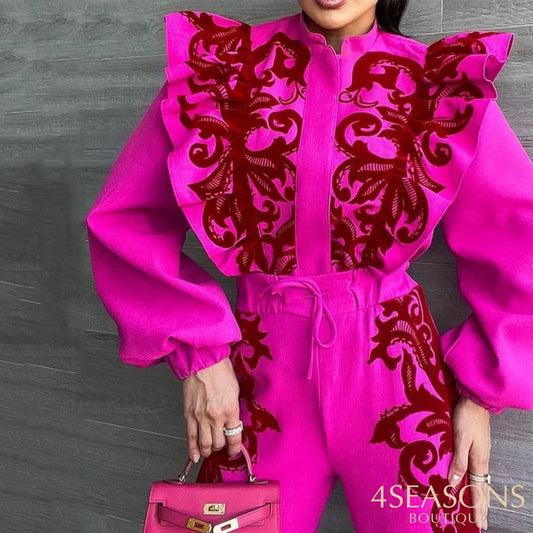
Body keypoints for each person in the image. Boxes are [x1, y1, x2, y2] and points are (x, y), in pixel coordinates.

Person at [85, 0, 533, 531]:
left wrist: (481, 394)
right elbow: (125, 220)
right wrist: (199, 354)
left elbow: (519, 240)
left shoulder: (436, 87)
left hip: (396, 376)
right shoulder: (223, 73)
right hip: (257, 381)